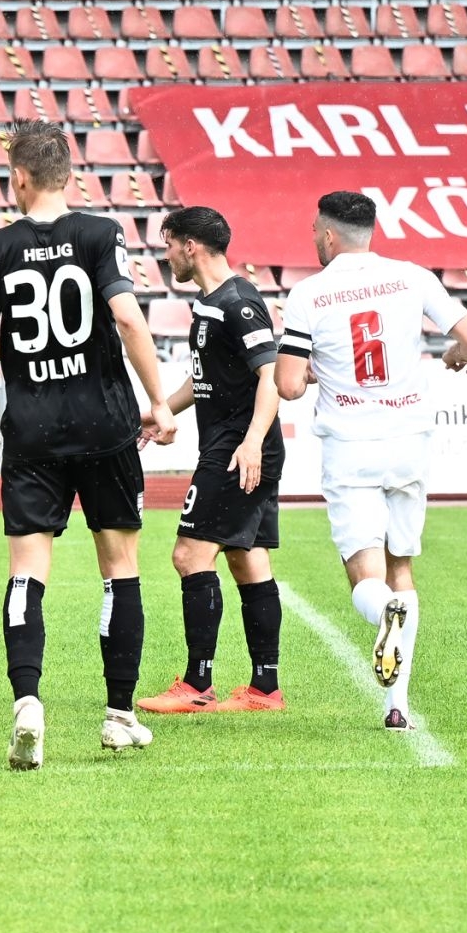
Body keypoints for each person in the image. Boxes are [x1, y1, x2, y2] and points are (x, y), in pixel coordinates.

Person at [0, 119, 177, 769]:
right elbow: (127, 317)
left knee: (26, 570)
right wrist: (160, 402)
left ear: (19, 177)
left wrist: (25, 337)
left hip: (32, 431)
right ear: (69, 175)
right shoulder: (100, 234)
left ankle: (28, 703)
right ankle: (119, 716)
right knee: (120, 566)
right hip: (105, 425)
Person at [274, 191, 467, 731]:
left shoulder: (309, 293)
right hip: (409, 440)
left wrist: (316, 371)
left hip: (352, 445)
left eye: (314, 232)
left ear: (328, 235)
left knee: (366, 577)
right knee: (401, 568)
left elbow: (288, 384)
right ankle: (398, 706)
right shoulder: (412, 277)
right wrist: (456, 355)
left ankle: (382, 611)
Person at [135, 206, 287, 714]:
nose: (166, 255)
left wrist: (251, 442)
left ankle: (197, 685)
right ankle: (265, 689)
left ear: (190, 246)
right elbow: (203, 379)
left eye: (168, 244)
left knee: (189, 555)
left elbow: (270, 376)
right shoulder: (211, 302)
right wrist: (160, 411)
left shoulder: (237, 303)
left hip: (238, 448)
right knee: (247, 558)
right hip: (237, 444)